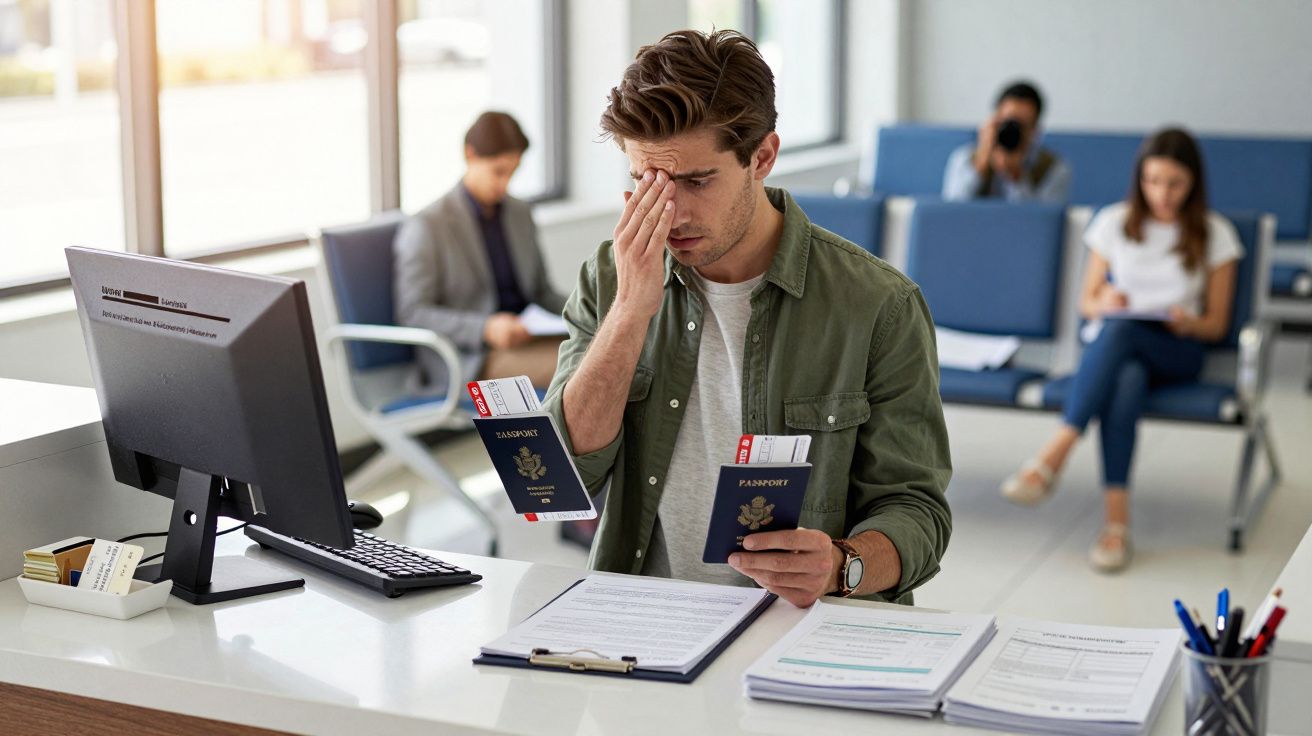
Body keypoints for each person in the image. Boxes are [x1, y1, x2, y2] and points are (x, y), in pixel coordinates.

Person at [542, 30, 952, 608]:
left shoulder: (880, 306)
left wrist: (842, 565)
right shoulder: (611, 279)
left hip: (802, 631)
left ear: (762, 157)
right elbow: (561, 480)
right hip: (643, 620)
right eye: (644, 182)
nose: (670, 211)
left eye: (695, 180)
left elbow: (918, 513)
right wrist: (631, 311)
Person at [1001, 128, 1243, 573]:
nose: (1162, 194)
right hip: (1122, 347)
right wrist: (1106, 302)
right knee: (1125, 372)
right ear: (1139, 179)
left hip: (1179, 350)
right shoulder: (1113, 222)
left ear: (1193, 183)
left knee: (1121, 336)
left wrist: (1186, 320)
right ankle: (1116, 526)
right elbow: (1087, 303)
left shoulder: (1215, 233)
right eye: (1153, 181)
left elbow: (1217, 325)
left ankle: (1055, 452)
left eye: (1174, 184)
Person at [394, 111, 568, 390]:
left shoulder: (519, 213)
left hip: (528, 339)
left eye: (512, 172)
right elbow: (413, 312)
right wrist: (485, 328)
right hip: (473, 355)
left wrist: (587, 312)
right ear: (469, 155)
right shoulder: (428, 226)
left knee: (619, 352)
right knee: (587, 369)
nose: (504, 184)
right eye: (497, 172)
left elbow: (541, 292)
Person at [942, 80, 1071, 203]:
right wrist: (981, 164)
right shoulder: (964, 158)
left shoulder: (1053, 169)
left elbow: (1043, 221)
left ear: (1035, 130)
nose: (1014, 131)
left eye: (1022, 125)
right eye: (1008, 122)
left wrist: (1016, 176)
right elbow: (952, 212)